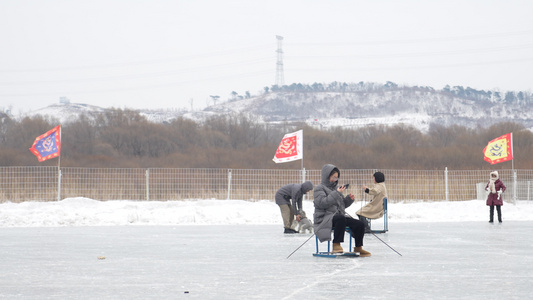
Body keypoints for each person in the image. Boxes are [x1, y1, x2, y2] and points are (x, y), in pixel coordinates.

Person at [313, 164, 370, 256]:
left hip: (337, 217)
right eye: (333, 177)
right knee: (340, 218)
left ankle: (358, 247)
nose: (335, 180)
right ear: (326, 176)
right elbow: (322, 203)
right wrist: (336, 193)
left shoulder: (336, 188)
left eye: (336, 177)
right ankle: (336, 245)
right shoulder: (319, 189)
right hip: (324, 217)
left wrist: (348, 200)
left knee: (359, 224)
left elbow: (341, 205)